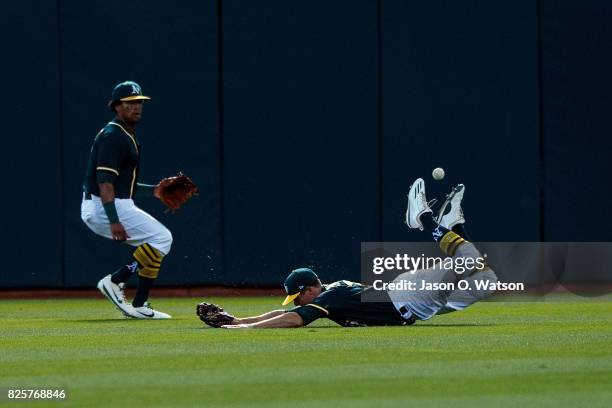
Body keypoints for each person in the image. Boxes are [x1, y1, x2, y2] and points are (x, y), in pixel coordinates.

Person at [221, 178, 498, 328]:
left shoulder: (331, 296)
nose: (297, 302)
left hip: (410, 297)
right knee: (488, 281)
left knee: (472, 263)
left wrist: (242, 328)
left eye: (299, 295)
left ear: (311, 288)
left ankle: (425, 219)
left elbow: (295, 319)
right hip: (416, 305)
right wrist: (237, 319)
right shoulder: (330, 294)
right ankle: (454, 226)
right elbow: (289, 312)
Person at [81, 81, 172, 319]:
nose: (136, 107)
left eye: (139, 102)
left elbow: (123, 185)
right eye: (130, 103)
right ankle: (115, 281)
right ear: (116, 106)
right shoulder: (114, 135)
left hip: (111, 203)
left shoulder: (124, 133)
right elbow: (105, 183)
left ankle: (139, 303)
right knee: (162, 238)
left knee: (156, 242)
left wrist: (153, 191)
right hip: (104, 205)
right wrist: (113, 220)